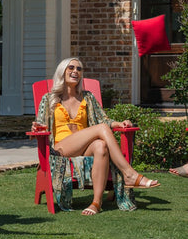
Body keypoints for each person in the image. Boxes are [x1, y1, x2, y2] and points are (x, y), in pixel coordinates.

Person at [32, 57, 159, 215]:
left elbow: (104, 120)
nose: (75, 71)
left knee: (101, 145)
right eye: (71, 67)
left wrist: (119, 123)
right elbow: (40, 124)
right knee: (101, 129)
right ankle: (129, 174)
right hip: (61, 148)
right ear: (62, 72)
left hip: (84, 147)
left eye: (79, 69)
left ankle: (96, 203)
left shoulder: (88, 97)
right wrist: (37, 127)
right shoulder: (49, 98)